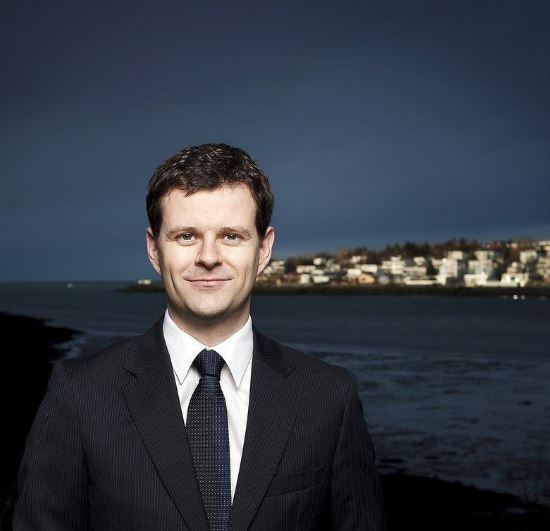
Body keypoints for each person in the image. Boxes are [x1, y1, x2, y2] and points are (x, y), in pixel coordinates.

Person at [14, 143, 387, 530]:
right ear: (154, 250)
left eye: (231, 236)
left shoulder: (329, 396)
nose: (209, 257)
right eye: (186, 236)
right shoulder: (80, 394)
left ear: (264, 250)